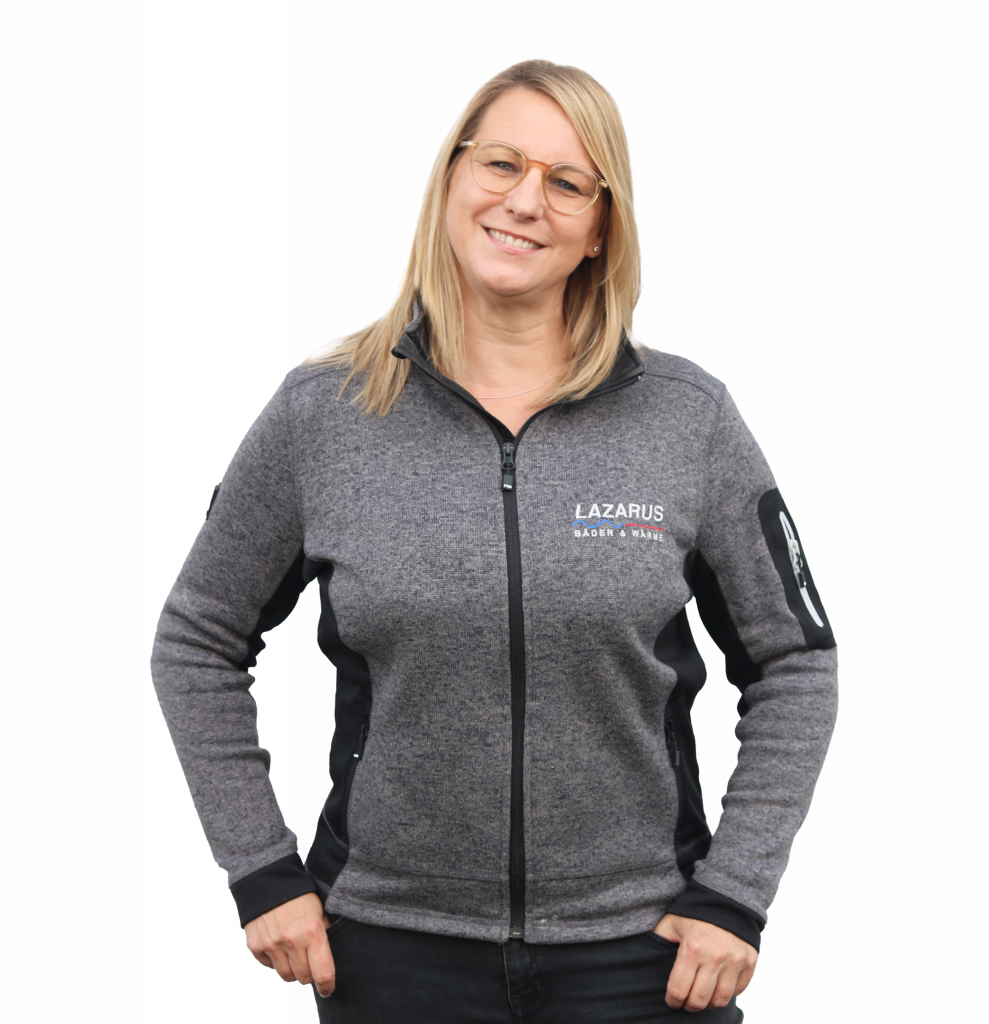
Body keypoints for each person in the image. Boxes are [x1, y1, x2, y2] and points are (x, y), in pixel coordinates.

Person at [150, 56, 838, 1022]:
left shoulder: (689, 417)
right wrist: (260, 869)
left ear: (600, 230)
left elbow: (796, 661)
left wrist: (737, 893)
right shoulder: (323, 411)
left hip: (643, 959)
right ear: (450, 180)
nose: (524, 201)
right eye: (501, 164)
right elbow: (196, 637)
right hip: (390, 957)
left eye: (566, 183)